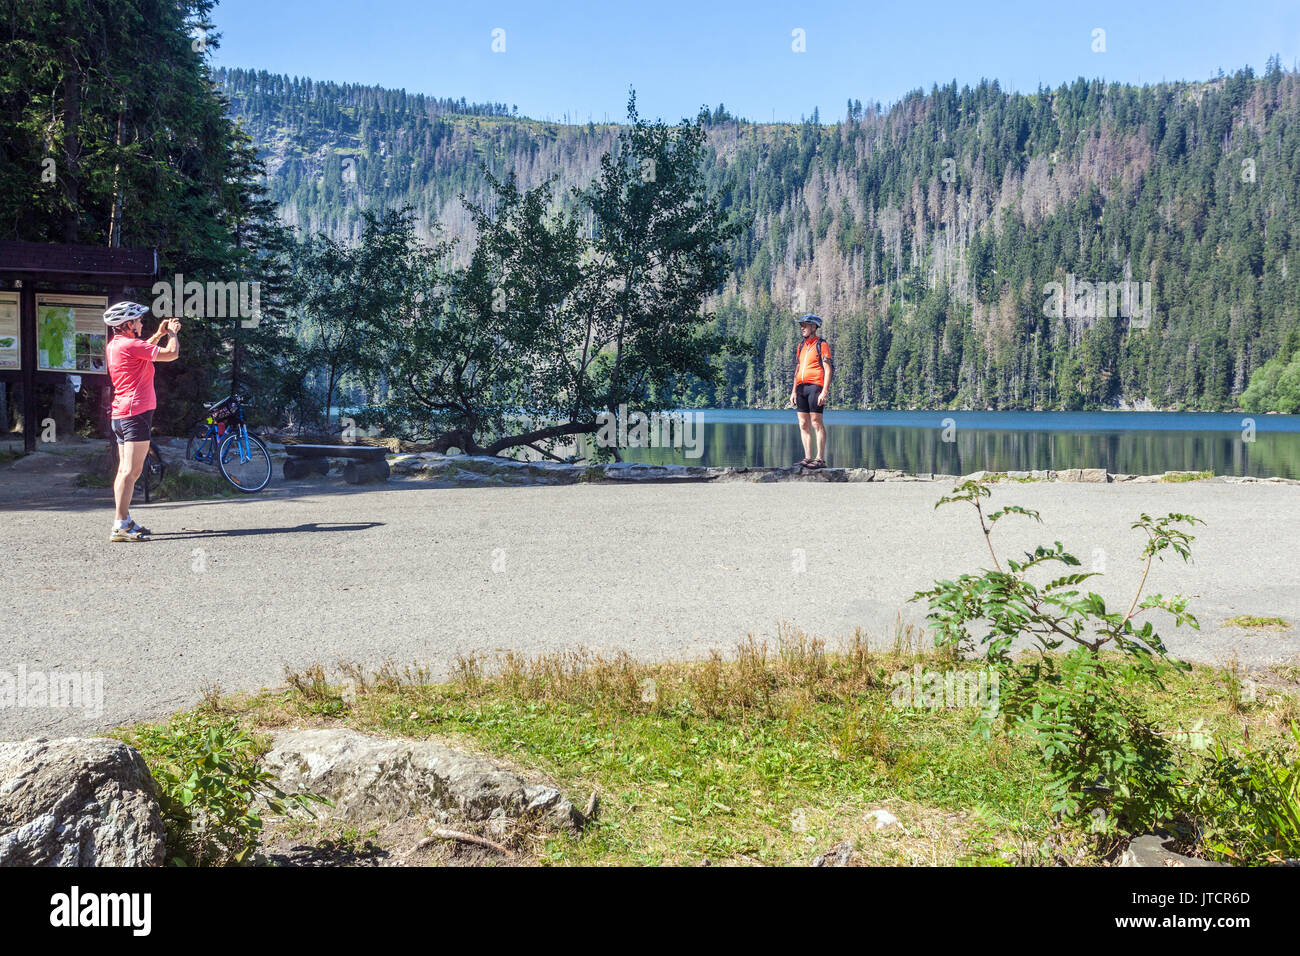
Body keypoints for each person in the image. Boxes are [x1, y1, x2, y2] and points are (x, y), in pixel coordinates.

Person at [102, 302, 180, 542]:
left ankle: (123, 520)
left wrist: (158, 334)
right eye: (137, 321)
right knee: (131, 471)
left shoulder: (116, 345)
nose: (141, 323)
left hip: (122, 414)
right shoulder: (130, 344)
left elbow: (143, 349)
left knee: (124, 470)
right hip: (135, 415)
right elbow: (172, 354)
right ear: (128, 325)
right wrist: (173, 334)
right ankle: (120, 525)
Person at [788, 313, 832, 468]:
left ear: (814, 327)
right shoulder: (801, 346)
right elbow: (797, 368)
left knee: (816, 422)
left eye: (805, 325)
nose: (802, 328)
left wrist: (824, 391)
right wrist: (793, 391)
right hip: (800, 387)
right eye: (801, 326)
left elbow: (828, 369)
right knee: (803, 423)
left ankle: (819, 459)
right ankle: (807, 458)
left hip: (815, 386)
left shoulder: (822, 344)